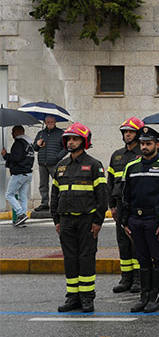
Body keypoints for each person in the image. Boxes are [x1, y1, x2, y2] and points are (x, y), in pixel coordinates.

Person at [121, 126, 159, 314]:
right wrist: (125, 222)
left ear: (157, 144)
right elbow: (124, 196)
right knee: (142, 259)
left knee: (158, 259)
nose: (144, 147)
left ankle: (155, 298)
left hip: (155, 221)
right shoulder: (131, 166)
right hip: (135, 221)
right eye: (142, 144)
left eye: (148, 143)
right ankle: (144, 297)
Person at [51, 123, 108, 313]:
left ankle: (86, 298)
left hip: (86, 221)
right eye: (69, 139)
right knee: (70, 259)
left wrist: (98, 221)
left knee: (86, 258)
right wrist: (56, 220)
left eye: (75, 139)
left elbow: (102, 196)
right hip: (66, 221)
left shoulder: (93, 165)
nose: (71, 142)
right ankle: (72, 297)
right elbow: (54, 195)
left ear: (84, 142)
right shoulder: (61, 166)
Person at [107, 117, 144, 293]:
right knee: (122, 241)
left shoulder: (142, 153)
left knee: (136, 241)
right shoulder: (116, 155)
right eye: (125, 132)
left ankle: (138, 278)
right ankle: (126, 278)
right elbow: (110, 182)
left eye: (131, 132)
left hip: (136, 204)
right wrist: (112, 205)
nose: (128, 135)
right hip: (120, 204)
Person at [32, 115, 66, 212]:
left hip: (54, 163)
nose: (50, 124)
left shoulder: (61, 133)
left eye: (51, 122)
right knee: (43, 184)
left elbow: (66, 148)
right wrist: (37, 144)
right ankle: (44, 203)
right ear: (45, 123)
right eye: (48, 122)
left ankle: (59, 202)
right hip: (42, 163)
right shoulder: (40, 134)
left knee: (58, 183)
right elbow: (35, 148)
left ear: (55, 122)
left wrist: (58, 157)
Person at [3, 125, 34, 226]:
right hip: (28, 173)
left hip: (19, 173)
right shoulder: (29, 143)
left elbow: (16, 158)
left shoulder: (18, 143)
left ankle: (20, 214)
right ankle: (22, 219)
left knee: (9, 194)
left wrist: (5, 155)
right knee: (23, 196)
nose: (12, 133)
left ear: (20, 131)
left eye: (14, 131)